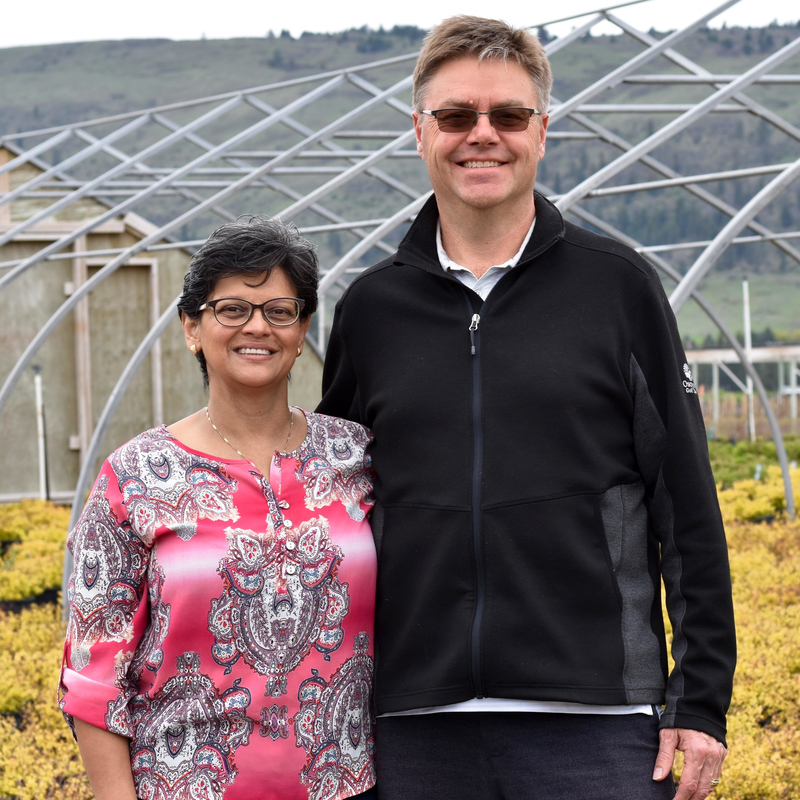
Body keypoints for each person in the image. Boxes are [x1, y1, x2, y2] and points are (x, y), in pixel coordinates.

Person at [318, 16, 735, 800]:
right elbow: (334, 508)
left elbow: (687, 507)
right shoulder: (371, 311)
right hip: (412, 725)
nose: (483, 135)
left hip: (596, 726)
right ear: (419, 132)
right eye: (455, 116)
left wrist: (702, 698)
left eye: (508, 115)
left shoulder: (619, 289)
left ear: (543, 132)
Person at [60, 216, 378, 800]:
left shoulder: (355, 456)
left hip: (349, 788)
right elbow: (93, 672)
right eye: (232, 309)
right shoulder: (134, 477)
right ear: (191, 326)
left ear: (303, 327)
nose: (257, 326)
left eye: (280, 310)